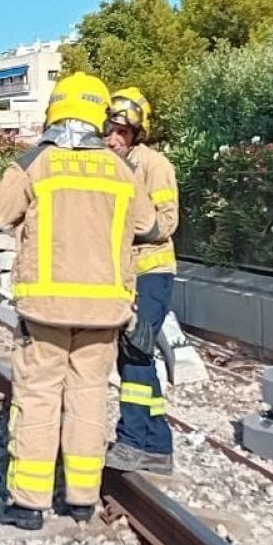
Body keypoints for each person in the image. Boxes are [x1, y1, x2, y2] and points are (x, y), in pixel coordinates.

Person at [0, 73, 164, 530]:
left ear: (55, 111)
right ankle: (82, 497)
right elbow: (152, 227)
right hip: (105, 311)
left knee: (39, 397)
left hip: (47, 309)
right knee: (89, 396)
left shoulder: (37, 163)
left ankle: (28, 503)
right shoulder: (122, 169)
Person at [101, 88, 181, 475]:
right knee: (137, 355)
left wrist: (127, 229)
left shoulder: (153, 165)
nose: (114, 139)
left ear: (136, 135)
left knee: (135, 350)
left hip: (152, 270)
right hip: (126, 273)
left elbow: (167, 222)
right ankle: (158, 444)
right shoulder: (109, 165)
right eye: (110, 130)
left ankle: (133, 441)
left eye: (123, 133)